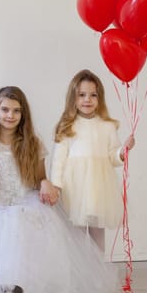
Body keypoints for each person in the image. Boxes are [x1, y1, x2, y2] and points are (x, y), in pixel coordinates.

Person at [0, 87, 117, 293]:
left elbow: (39, 179)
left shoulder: (32, 144)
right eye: (5, 109)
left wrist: (46, 183)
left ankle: (32, 290)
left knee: (28, 223)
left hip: (27, 199)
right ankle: (5, 291)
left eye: (16, 111)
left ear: (23, 114)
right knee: (1, 226)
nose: (10, 115)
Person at [50, 69, 135, 252]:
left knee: (97, 231)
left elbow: (112, 155)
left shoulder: (107, 126)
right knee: (76, 233)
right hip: (74, 187)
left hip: (98, 186)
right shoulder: (67, 126)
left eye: (93, 95)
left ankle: (99, 273)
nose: (87, 99)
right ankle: (80, 274)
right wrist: (56, 185)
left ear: (100, 98)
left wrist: (123, 151)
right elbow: (59, 160)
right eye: (81, 95)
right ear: (73, 98)